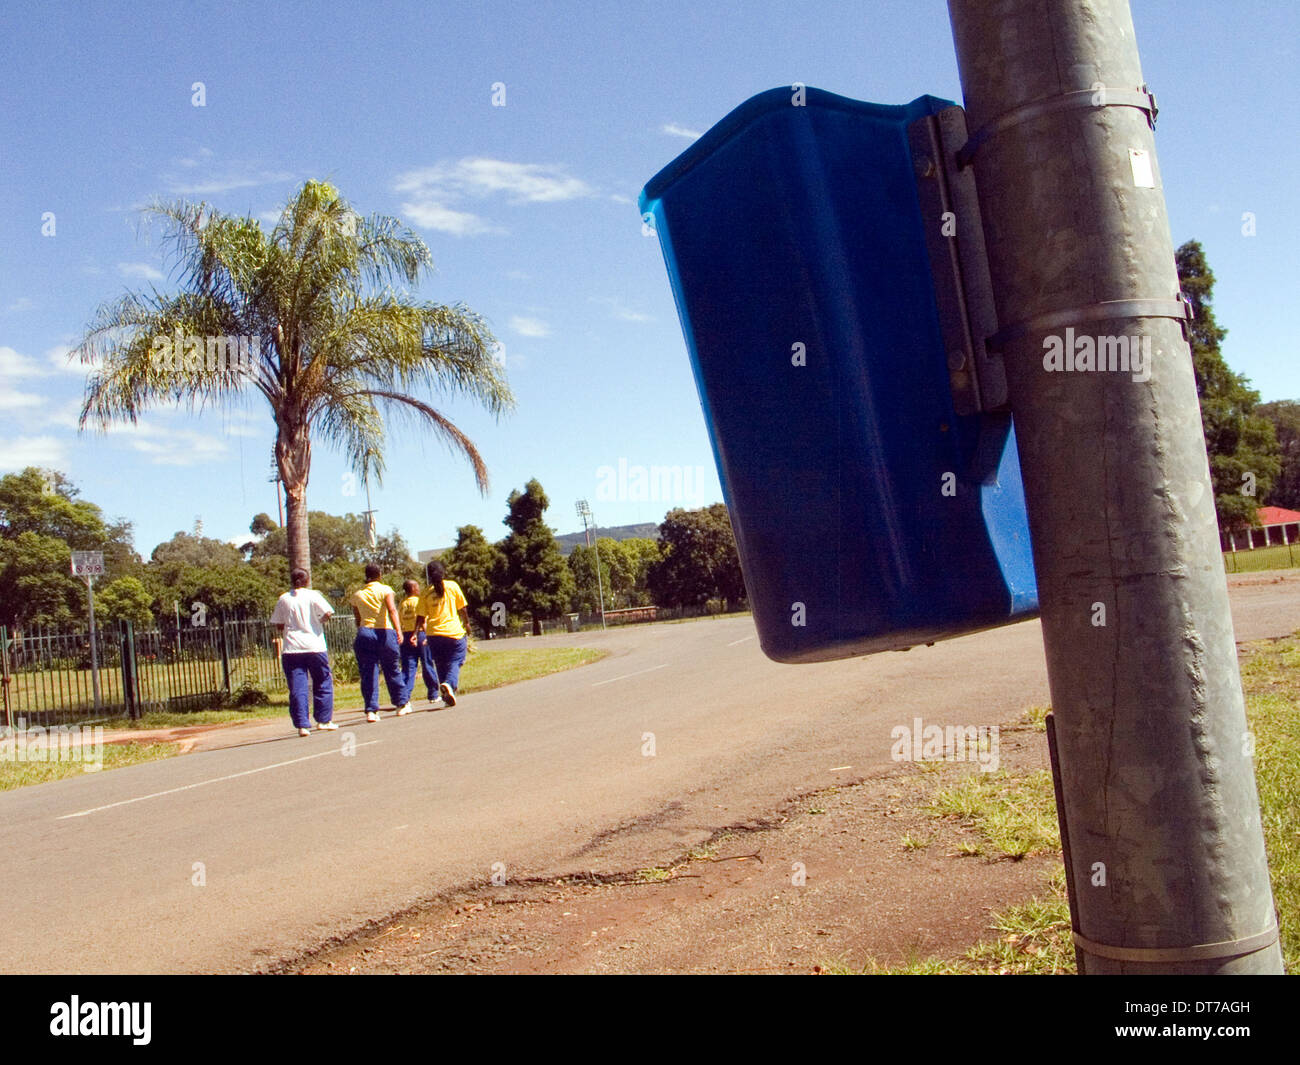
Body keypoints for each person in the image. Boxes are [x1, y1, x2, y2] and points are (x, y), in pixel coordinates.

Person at [270, 569, 336, 737]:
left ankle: (302, 725)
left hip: (292, 648)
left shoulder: (284, 599)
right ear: (306, 580)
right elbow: (328, 612)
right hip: (315, 645)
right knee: (322, 682)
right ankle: (323, 720)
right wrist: (319, 621)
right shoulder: (314, 595)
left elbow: (278, 623)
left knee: (298, 686)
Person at [350, 563, 408, 721]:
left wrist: (362, 628)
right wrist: (398, 630)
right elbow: (392, 610)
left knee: (368, 671)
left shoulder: (358, 595)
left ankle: (371, 710)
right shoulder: (385, 590)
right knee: (392, 668)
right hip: (384, 630)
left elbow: (357, 617)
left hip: (365, 632)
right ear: (380, 575)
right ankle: (401, 703)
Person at [415, 560, 470, 708]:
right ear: (443, 572)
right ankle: (449, 684)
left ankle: (447, 695)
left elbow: (420, 617)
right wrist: (467, 623)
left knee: (440, 663)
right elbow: (463, 609)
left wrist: (415, 633)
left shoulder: (425, 593)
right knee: (456, 660)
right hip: (453, 632)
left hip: (433, 634)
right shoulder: (452, 586)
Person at [398, 578, 436, 706]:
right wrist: (427, 635)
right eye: (417, 587)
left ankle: (404, 697)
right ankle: (433, 693)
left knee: (408, 667)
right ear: (413, 589)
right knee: (427, 663)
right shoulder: (419, 601)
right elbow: (422, 619)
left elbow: (399, 619)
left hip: (406, 634)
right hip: (419, 633)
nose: (419, 589)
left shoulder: (402, 603)